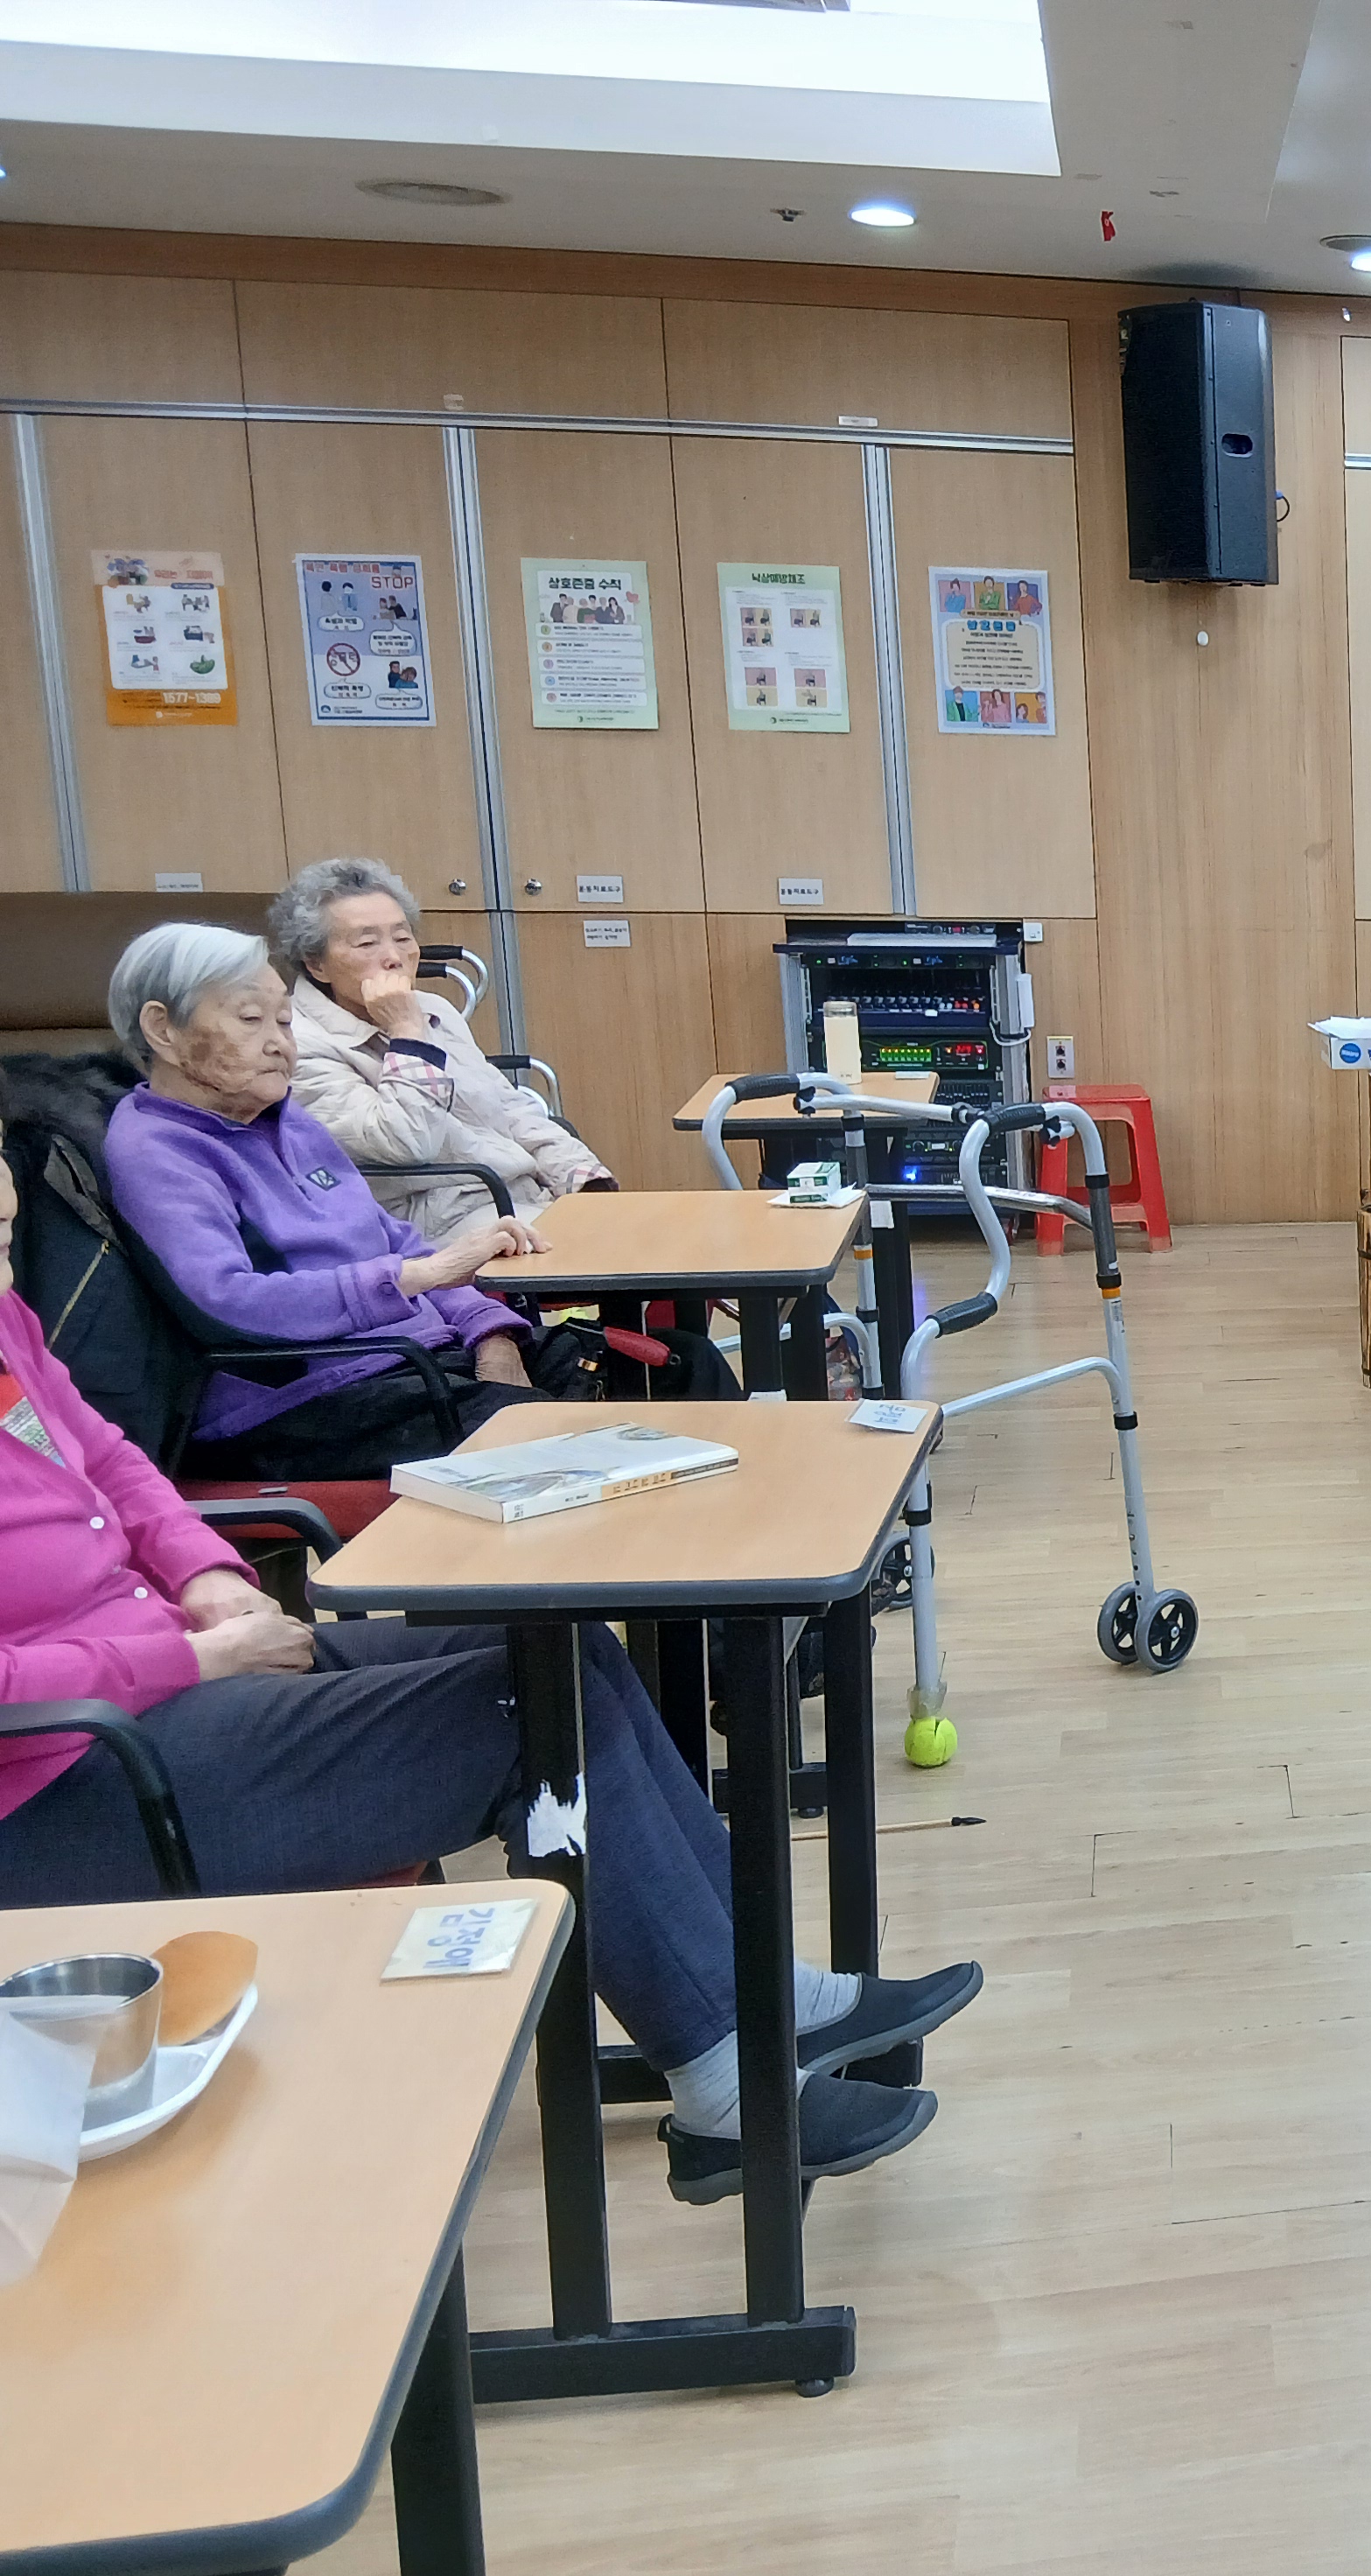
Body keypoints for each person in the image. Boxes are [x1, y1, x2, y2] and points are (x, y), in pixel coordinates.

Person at [0, 1066, 976, 2201]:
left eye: (8, 1235)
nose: (6, 1270)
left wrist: (207, 1572)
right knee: (522, 1714)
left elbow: (111, 1457)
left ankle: (765, 1996)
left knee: (556, 1646)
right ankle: (725, 2087)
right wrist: (186, 1654)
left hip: (163, 1681)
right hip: (65, 1787)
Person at [100, 923, 544, 1479]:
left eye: (285, 1021)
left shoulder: (288, 1119)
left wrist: (490, 1332)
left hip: (416, 1356)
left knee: (623, 1371)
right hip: (304, 1399)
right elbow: (229, 1301)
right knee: (553, 1439)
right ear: (162, 1029)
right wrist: (416, 1277)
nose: (279, 1043)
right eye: (250, 1019)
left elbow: (394, 1240)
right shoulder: (156, 1151)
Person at [275, 856, 614, 1242]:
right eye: (367, 943)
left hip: (517, 1196)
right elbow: (406, 1141)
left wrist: (581, 1178)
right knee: (601, 1250)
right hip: (432, 1221)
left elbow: (508, 1108)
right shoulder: (298, 1042)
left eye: (403, 938)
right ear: (316, 964)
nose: (394, 957)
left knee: (638, 1234)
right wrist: (407, 1033)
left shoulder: (433, 1008)